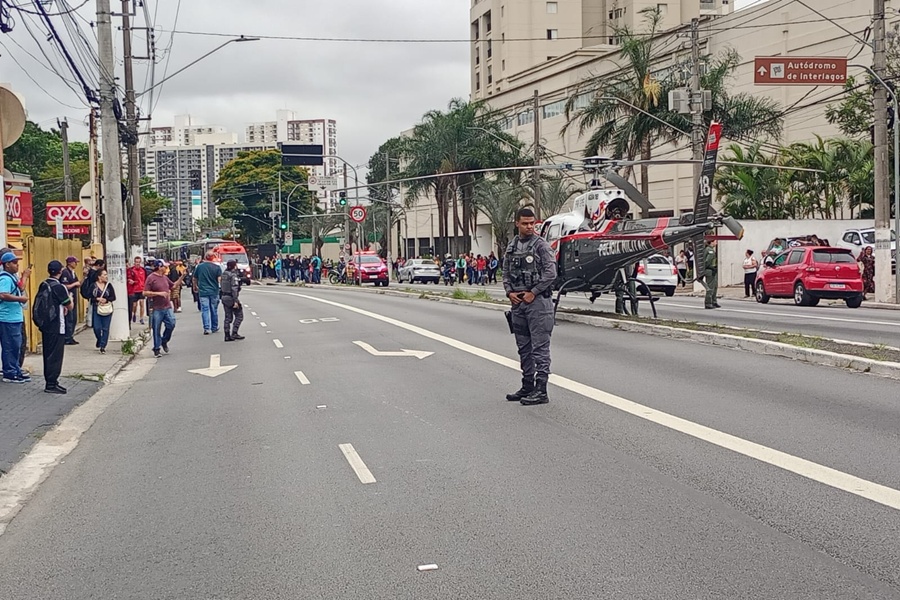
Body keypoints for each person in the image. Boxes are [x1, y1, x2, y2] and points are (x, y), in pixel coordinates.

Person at [503, 207, 558, 406]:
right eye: (525, 223)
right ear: (516, 223)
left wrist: (532, 292)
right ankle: (527, 385)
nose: (529, 227)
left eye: (531, 223)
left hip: (538, 304)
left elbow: (550, 274)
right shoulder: (512, 246)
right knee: (523, 348)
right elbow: (506, 273)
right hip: (518, 304)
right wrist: (509, 292)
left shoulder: (541, 245)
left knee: (540, 349)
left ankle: (541, 390)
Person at [38, 261, 73, 394]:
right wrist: (70, 298)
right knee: (56, 356)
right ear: (60, 271)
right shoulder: (59, 287)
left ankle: (51, 381)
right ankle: (51, 383)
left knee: (48, 354)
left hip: (46, 325)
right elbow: (69, 306)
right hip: (57, 326)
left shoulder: (44, 284)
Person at [0, 251, 30, 384]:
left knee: (16, 346)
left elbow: (20, 287)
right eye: (14, 263)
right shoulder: (5, 278)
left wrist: (24, 276)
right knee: (10, 346)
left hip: (14, 317)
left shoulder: (12, 277)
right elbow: (3, 295)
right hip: (7, 318)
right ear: (7, 264)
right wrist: (20, 299)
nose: (17, 265)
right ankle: (10, 373)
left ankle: (16, 370)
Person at [144, 260, 178, 357]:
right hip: (156, 308)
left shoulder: (165, 278)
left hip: (167, 306)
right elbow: (145, 292)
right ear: (159, 267)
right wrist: (159, 294)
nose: (165, 268)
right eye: (163, 266)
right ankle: (157, 348)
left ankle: (164, 340)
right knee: (156, 328)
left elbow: (173, 286)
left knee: (171, 324)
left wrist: (182, 277)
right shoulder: (151, 278)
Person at [193, 252, 221, 335]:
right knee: (214, 310)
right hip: (214, 291)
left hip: (203, 291)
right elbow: (219, 280)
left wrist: (195, 286)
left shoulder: (199, 267)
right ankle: (214, 327)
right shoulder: (217, 267)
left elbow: (195, 278)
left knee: (205, 310)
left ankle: (206, 328)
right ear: (213, 258)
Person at [91, 268, 116, 354]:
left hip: (107, 308)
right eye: (104, 275)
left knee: (105, 328)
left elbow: (113, 297)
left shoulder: (109, 285)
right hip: (97, 308)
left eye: (106, 275)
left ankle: (103, 346)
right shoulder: (93, 285)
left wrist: (106, 300)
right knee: (97, 327)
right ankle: (99, 339)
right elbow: (90, 297)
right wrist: (97, 299)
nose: (106, 276)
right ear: (99, 277)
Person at [220, 260, 245, 342]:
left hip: (224, 296)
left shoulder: (223, 274)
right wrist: (236, 301)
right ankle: (234, 332)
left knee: (227, 317)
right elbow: (234, 288)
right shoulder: (233, 275)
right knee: (239, 315)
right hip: (231, 297)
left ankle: (226, 334)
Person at [60, 256, 80, 345]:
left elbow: (78, 283)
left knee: (74, 318)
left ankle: (70, 336)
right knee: (69, 318)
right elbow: (65, 286)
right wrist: (75, 284)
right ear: (70, 263)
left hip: (73, 297)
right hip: (68, 297)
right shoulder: (65, 272)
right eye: (75, 262)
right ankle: (67, 337)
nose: (76, 264)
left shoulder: (73, 273)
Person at [704, 240, 720, 309]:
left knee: (715, 286)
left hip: (713, 270)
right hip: (710, 271)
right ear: (711, 242)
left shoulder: (711, 250)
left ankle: (713, 301)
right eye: (715, 241)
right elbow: (707, 261)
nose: (716, 243)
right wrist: (711, 268)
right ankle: (708, 302)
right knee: (710, 287)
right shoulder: (709, 250)